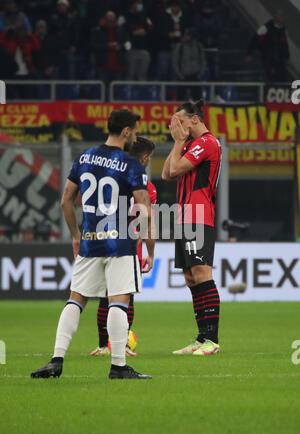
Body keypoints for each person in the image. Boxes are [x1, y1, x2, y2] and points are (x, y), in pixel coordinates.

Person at [31, 109, 155, 380]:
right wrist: (150, 247)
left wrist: (76, 235)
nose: (135, 136)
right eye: (134, 131)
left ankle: (56, 359)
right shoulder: (131, 163)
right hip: (120, 244)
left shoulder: (84, 157)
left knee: (75, 300)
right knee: (118, 302)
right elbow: (143, 208)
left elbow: (66, 200)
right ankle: (119, 366)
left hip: (89, 241)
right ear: (125, 131)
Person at [162, 100, 221, 356]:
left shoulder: (207, 143)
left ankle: (212, 340)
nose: (177, 126)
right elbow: (166, 174)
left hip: (199, 214)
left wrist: (177, 143)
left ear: (194, 119)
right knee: (190, 277)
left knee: (202, 273)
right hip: (184, 215)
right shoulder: (188, 144)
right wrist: (178, 142)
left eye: (180, 121)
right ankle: (201, 337)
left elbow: (175, 169)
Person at [90, 136, 157, 357]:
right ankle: (122, 346)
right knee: (125, 297)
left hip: (101, 241)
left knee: (104, 295)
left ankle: (102, 346)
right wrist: (150, 252)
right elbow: (146, 222)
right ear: (145, 157)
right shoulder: (147, 186)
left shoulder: (110, 174)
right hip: (128, 247)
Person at [246, 11, 290, 82]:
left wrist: (287, 56)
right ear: (276, 17)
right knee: (269, 76)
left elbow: (284, 44)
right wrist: (249, 53)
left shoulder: (283, 30)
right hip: (267, 57)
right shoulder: (266, 27)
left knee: (281, 76)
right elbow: (255, 39)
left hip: (279, 59)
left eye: (282, 17)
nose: (282, 19)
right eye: (280, 17)